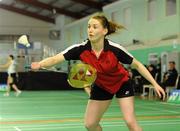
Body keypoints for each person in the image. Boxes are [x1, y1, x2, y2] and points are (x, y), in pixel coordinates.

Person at [31, 13, 165, 131]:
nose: (90, 30)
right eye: (89, 26)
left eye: (95, 27)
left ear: (104, 31)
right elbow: (56, 58)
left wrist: (155, 84)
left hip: (121, 83)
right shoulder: (81, 49)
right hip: (101, 87)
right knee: (90, 124)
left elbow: (138, 65)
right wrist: (40, 64)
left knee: (130, 121)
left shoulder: (115, 49)